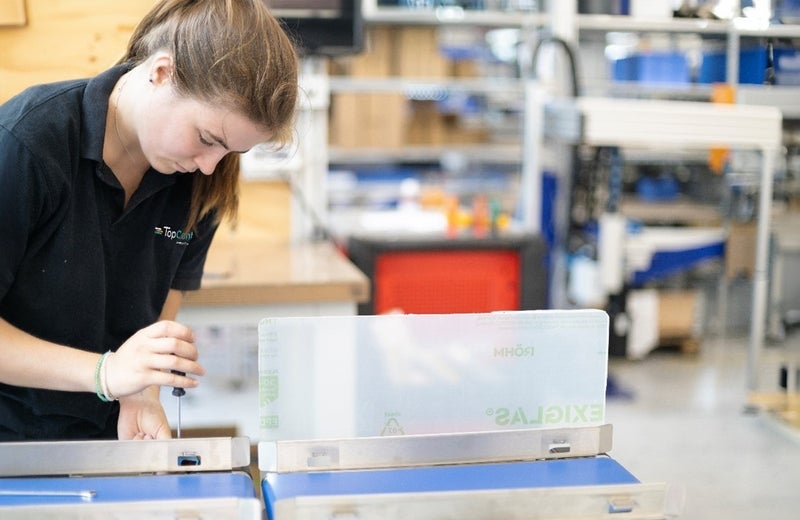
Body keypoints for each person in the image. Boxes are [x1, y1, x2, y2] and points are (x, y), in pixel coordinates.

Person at [0, 0, 299, 441]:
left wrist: (141, 388)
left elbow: (164, 297)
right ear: (161, 72)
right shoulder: (29, 145)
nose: (210, 166)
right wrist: (107, 374)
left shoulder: (202, 180)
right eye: (206, 139)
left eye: (231, 151)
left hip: (109, 436)